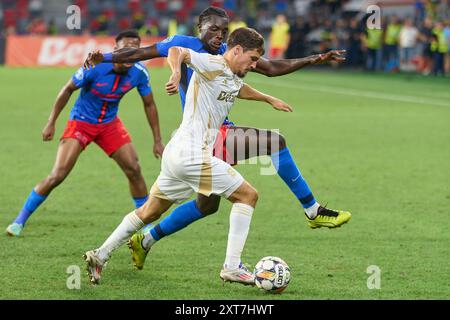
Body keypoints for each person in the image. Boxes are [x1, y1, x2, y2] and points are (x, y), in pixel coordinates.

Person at [84, 7, 351, 270]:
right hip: (207, 135)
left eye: (224, 31)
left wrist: (314, 59)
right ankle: (312, 212)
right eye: (214, 29)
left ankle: (145, 240)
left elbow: (269, 69)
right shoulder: (185, 46)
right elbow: (141, 52)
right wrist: (106, 58)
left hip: (202, 137)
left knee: (206, 206)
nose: (219, 35)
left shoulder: (228, 54)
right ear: (200, 27)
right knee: (273, 145)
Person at [84, 27, 293, 285]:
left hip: (178, 152)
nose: (254, 64)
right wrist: (174, 71)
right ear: (236, 50)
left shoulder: (228, 74)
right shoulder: (210, 62)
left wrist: (269, 99)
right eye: (252, 58)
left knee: (149, 211)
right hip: (192, 154)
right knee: (248, 195)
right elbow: (177, 50)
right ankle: (232, 266)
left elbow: (237, 88)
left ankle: (100, 254)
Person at [5, 30, 164, 237]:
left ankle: (145, 221)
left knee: (134, 169)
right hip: (81, 122)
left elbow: (149, 104)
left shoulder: (140, 73)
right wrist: (51, 122)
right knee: (58, 174)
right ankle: (20, 220)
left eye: (134, 50)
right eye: (125, 49)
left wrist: (157, 140)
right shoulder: (96, 66)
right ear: (115, 50)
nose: (130, 54)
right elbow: (67, 89)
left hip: (109, 125)